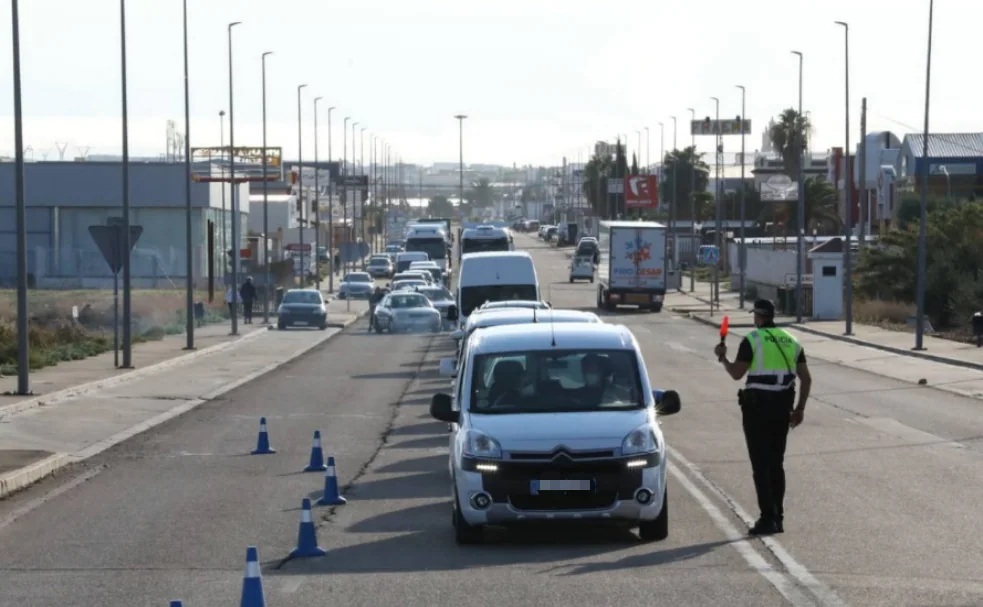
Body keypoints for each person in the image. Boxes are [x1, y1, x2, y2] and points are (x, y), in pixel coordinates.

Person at [714, 299, 812, 536]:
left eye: (754, 316)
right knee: (776, 463)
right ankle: (778, 517)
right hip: (783, 406)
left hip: (757, 408)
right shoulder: (792, 340)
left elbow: (737, 374)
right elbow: (806, 379)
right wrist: (799, 409)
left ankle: (767, 518)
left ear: (758, 316)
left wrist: (723, 358)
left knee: (760, 464)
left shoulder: (752, 340)